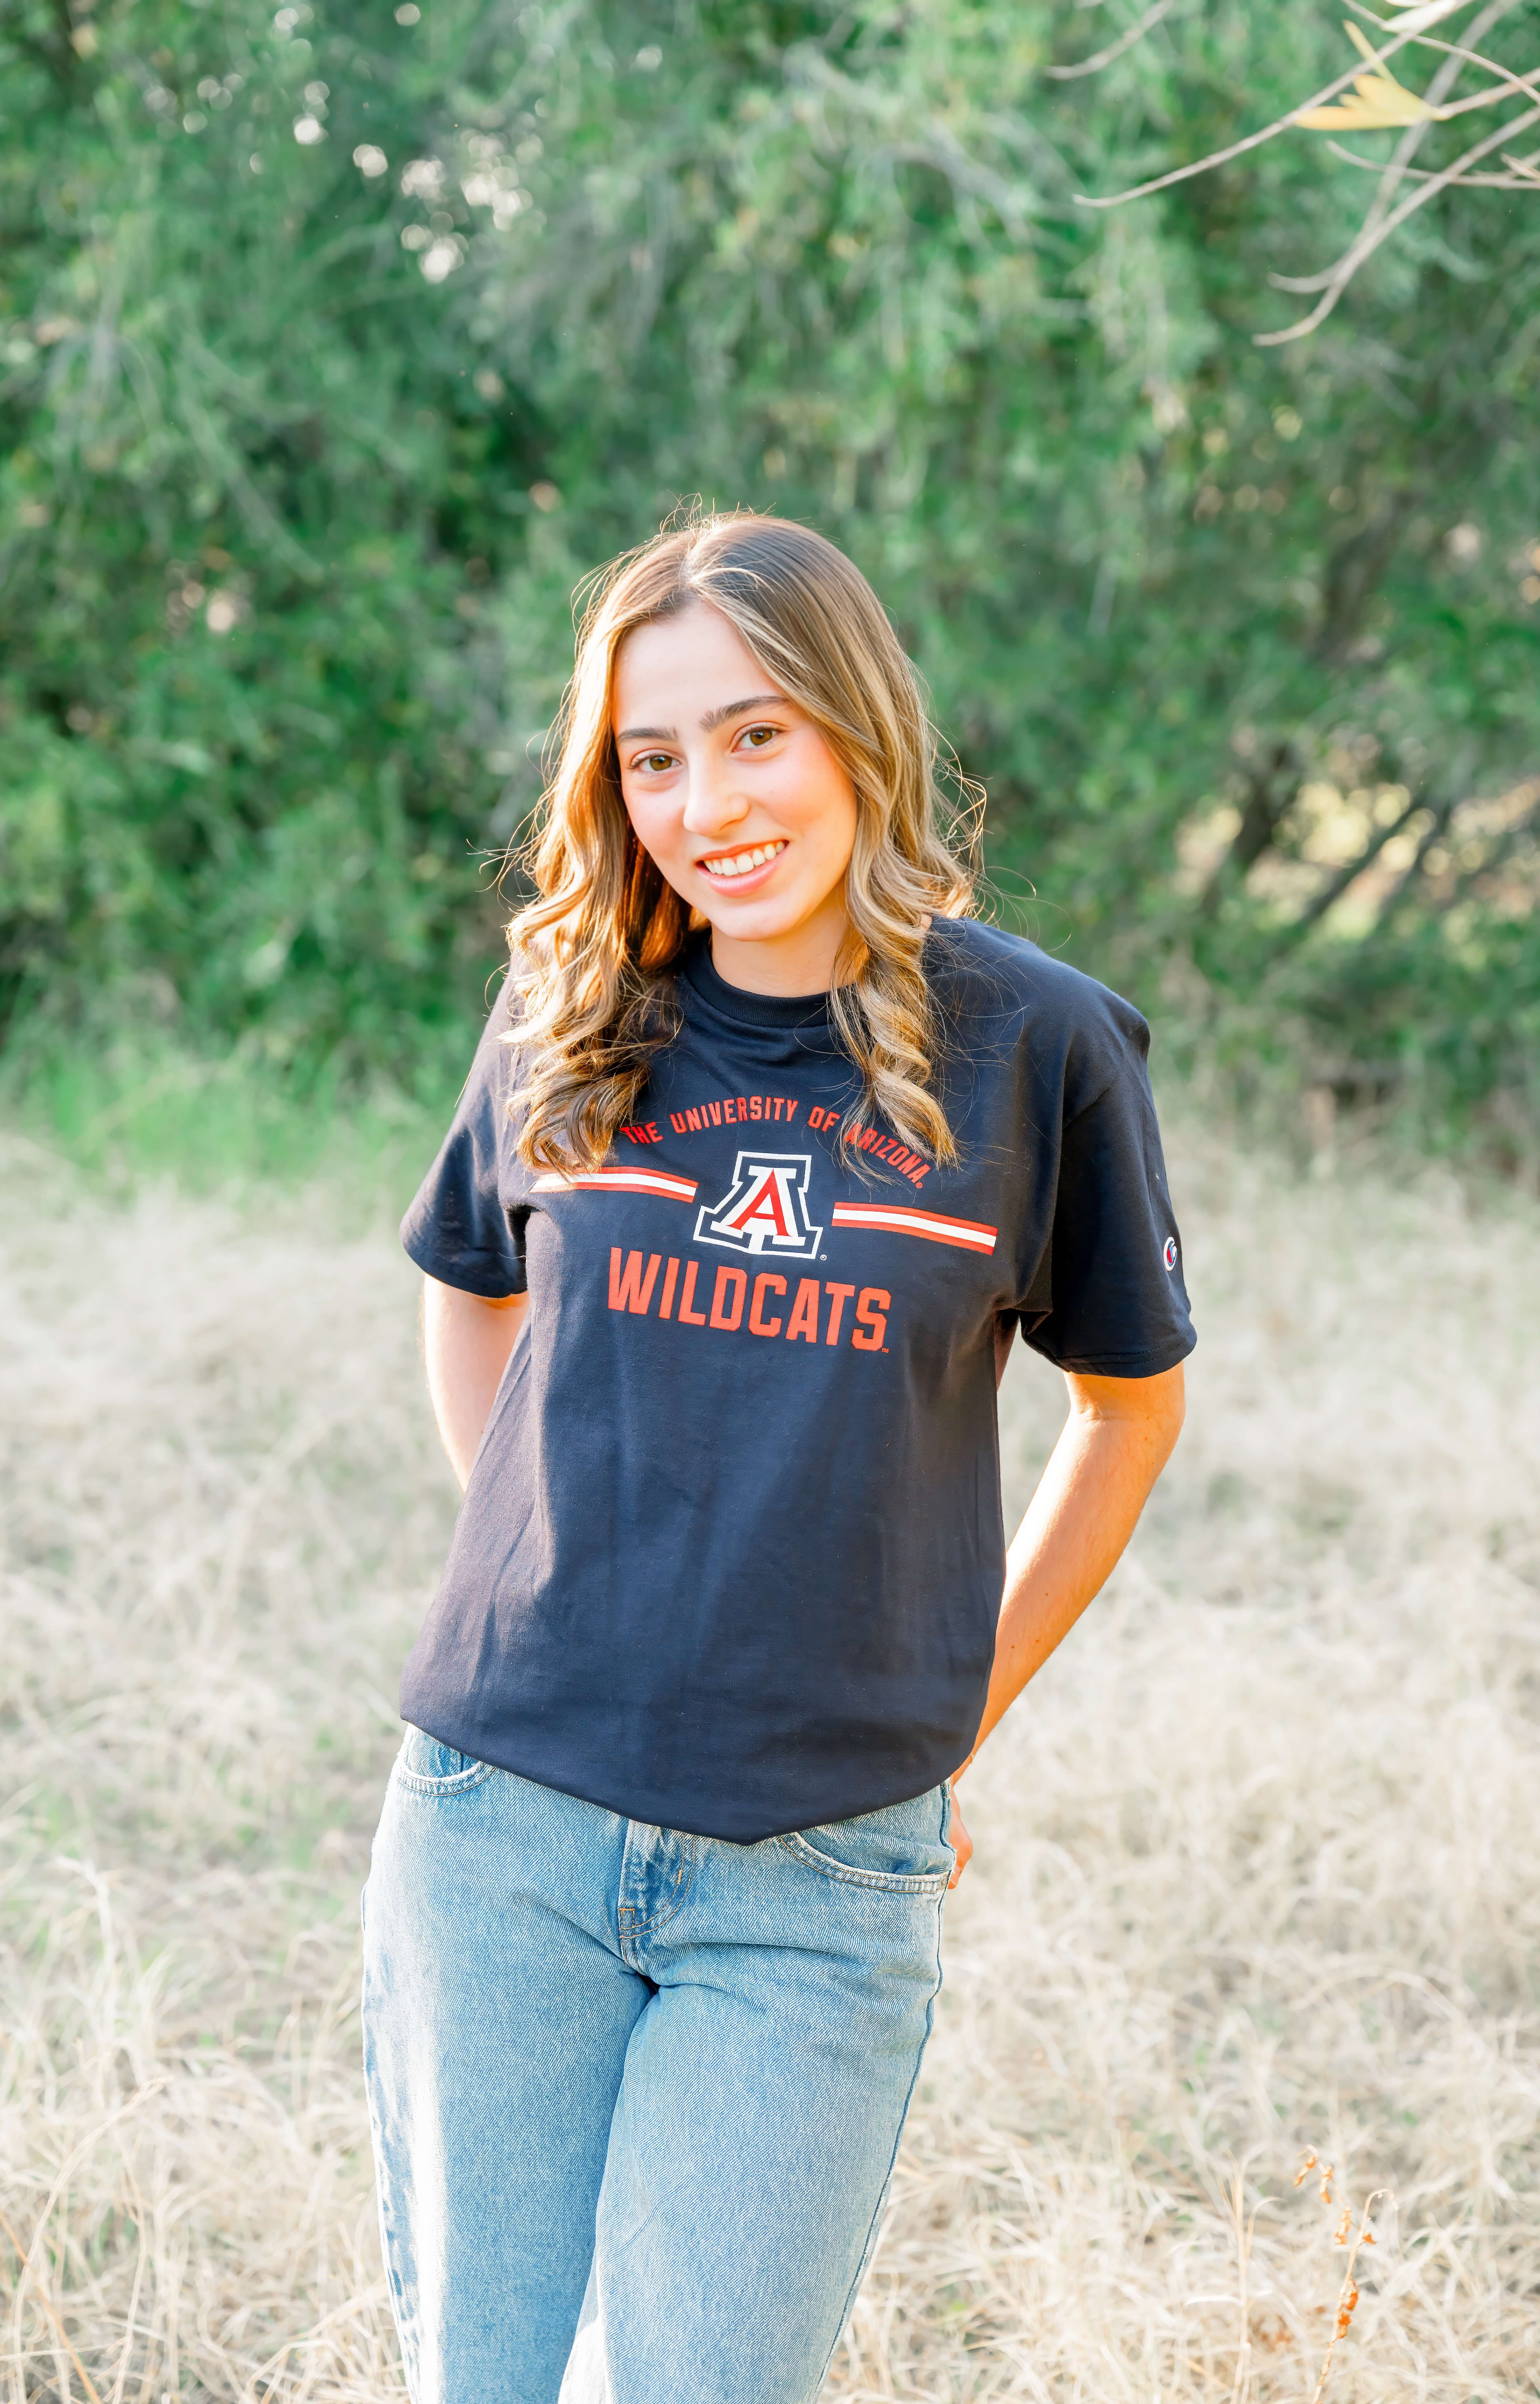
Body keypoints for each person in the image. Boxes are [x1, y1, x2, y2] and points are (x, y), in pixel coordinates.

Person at [362, 511, 1194, 2404]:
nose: (703, 800)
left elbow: (1130, 1409)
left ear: (857, 732)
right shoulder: (575, 1008)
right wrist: (553, 1554)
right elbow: (468, 1285)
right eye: (650, 757)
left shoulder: (1033, 1045)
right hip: (499, 1830)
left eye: (755, 735)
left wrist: (951, 1711)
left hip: (817, 1877)